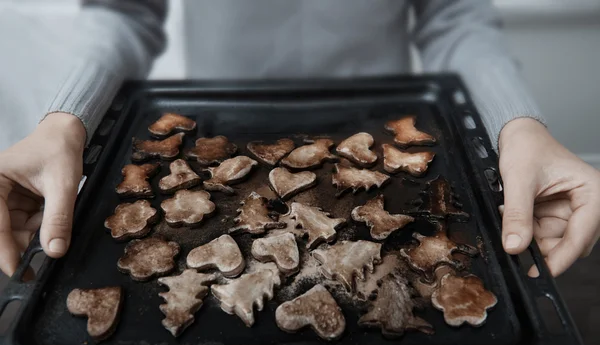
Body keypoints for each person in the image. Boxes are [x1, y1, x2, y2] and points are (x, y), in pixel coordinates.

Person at [0, 0, 598, 278]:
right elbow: (125, 10)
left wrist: (518, 124)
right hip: (223, 141)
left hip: (390, 148)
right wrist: (63, 119)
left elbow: (454, 16)